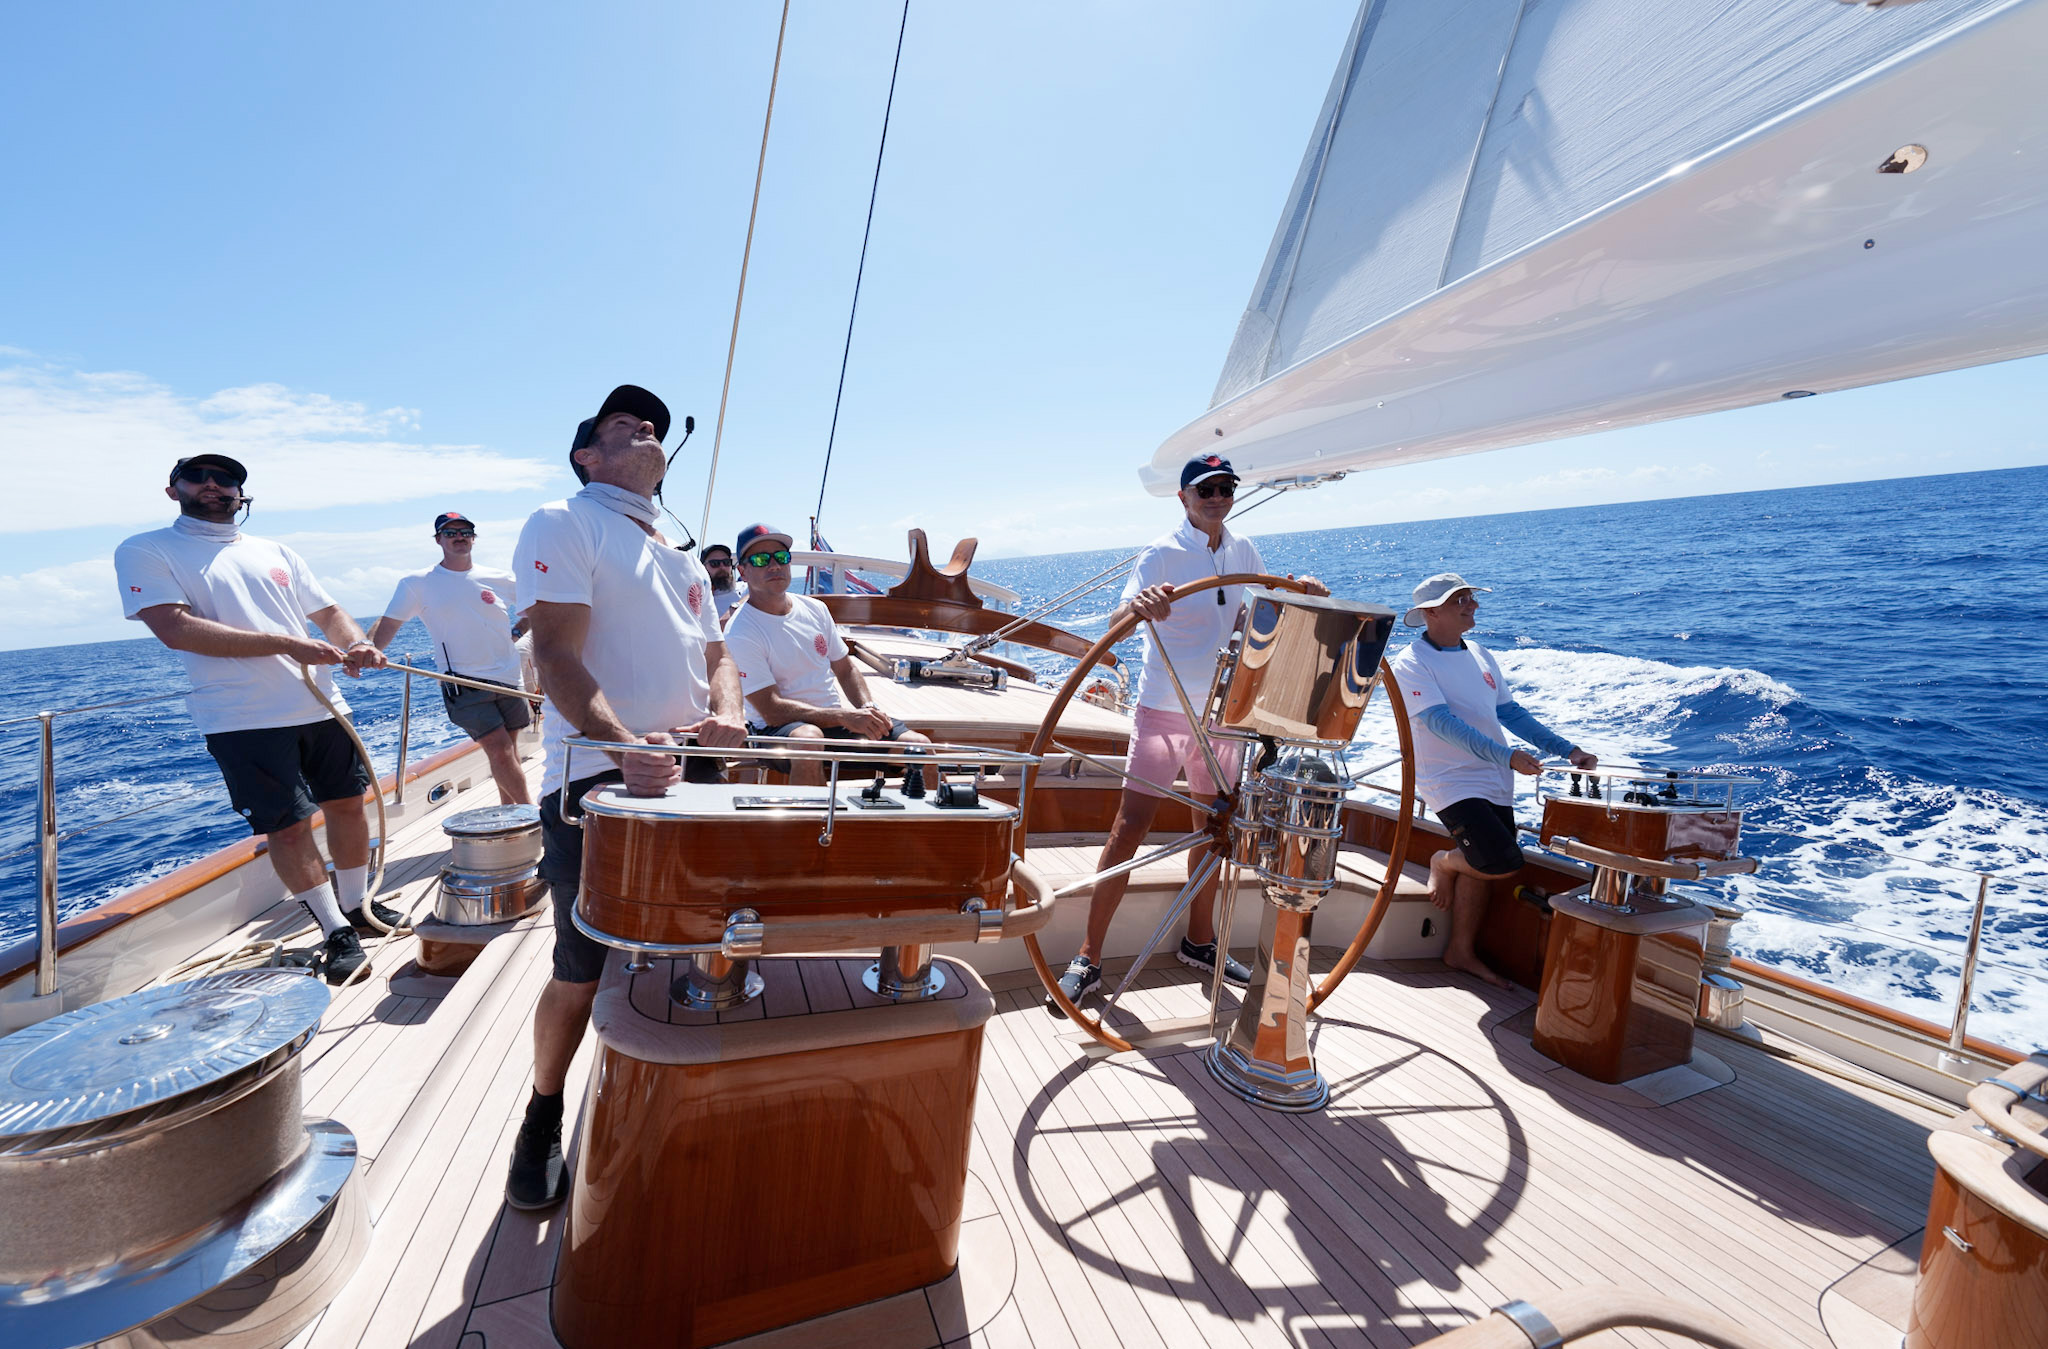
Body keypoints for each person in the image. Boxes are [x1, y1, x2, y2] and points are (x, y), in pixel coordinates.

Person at [504, 383, 749, 1211]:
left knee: (709, 931)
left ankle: (694, 1092)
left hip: (696, 772)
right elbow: (556, 653)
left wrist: (726, 714)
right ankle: (542, 1113)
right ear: (589, 456)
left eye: (650, 421)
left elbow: (721, 656)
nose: (644, 425)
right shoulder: (564, 522)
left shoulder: (681, 556)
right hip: (598, 780)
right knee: (579, 964)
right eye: (621, 422)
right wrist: (619, 749)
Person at [1047, 454, 1328, 1014]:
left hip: (1223, 717)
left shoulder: (1243, 551)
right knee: (1128, 831)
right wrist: (1140, 606)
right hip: (1163, 712)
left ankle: (1200, 942)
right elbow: (1115, 623)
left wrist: (1302, 597)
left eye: (1226, 488)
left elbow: (1260, 619)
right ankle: (1088, 957)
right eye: (1207, 489)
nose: (1218, 496)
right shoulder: (1160, 553)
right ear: (1183, 497)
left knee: (1215, 832)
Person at [114, 453, 404, 985]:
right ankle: (333, 930)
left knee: (348, 807)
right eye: (197, 476)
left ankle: (358, 907)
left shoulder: (277, 552)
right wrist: (290, 646)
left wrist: (357, 643)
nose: (211, 485)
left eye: (226, 479)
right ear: (172, 488)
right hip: (241, 718)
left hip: (322, 706)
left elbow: (328, 613)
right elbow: (176, 629)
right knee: (288, 829)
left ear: (240, 496)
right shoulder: (146, 549)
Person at [1387, 573, 1598, 990]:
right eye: (1460, 600)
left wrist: (1566, 749)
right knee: (1498, 861)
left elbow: (1511, 713)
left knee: (1485, 862)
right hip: (1447, 778)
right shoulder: (1411, 663)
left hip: (1493, 776)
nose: (1472, 605)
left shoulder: (1481, 653)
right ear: (1430, 613)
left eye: (1471, 597)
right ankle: (1442, 862)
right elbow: (1440, 724)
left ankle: (1460, 951)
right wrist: (1508, 755)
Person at [721, 523, 931, 785]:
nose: (774, 566)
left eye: (781, 557)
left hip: (832, 721)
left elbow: (846, 669)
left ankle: (917, 823)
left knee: (920, 748)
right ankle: (809, 823)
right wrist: (845, 716)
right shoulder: (741, 631)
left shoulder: (816, 609)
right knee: (809, 741)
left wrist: (866, 708)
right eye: (761, 559)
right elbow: (771, 710)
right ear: (742, 571)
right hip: (773, 729)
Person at [366, 511, 533, 806]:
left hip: (508, 678)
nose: (459, 537)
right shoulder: (417, 583)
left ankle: (512, 813)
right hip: (463, 683)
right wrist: (365, 650)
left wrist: (517, 632)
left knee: (510, 751)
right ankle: (531, 816)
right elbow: (389, 622)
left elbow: (535, 608)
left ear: (474, 537)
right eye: (450, 532)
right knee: (500, 750)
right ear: (438, 540)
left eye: (465, 531)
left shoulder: (500, 578)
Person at [698, 541, 747, 623]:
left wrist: (734, 608)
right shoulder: (698, 598)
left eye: (726, 562)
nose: (722, 567)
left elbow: (763, 592)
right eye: (715, 563)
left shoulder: (743, 588)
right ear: (703, 567)